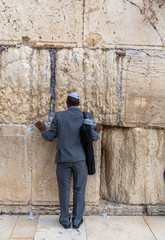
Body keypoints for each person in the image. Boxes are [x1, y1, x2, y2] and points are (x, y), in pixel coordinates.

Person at [35, 92, 102, 229]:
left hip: (63, 159)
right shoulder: (86, 116)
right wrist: (98, 130)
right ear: (78, 103)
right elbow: (93, 137)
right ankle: (77, 221)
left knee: (64, 190)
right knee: (79, 189)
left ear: (67, 103)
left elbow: (50, 137)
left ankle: (65, 220)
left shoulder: (59, 116)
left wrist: (42, 130)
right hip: (80, 160)